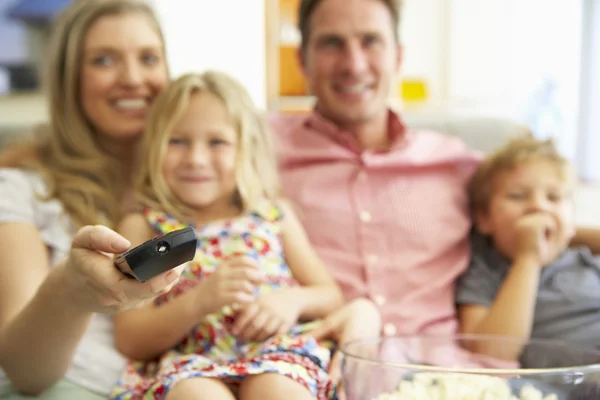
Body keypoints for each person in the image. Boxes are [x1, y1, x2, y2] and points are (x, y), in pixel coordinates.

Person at [270, 0, 600, 342]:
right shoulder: (257, 151)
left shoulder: (455, 162)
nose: (353, 64)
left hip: (447, 376)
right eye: (331, 43)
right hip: (314, 372)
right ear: (301, 60)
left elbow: (523, 215)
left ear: (397, 57)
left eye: (371, 41)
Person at [109, 72, 345, 400]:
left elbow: (330, 295)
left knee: (276, 388)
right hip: (192, 364)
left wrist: (291, 301)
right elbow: (131, 338)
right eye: (177, 141)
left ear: (246, 149)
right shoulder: (147, 226)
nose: (196, 159)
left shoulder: (272, 215)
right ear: (154, 148)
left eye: (217, 142)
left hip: (279, 354)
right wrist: (199, 302)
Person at [0, 1, 181, 399]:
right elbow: (25, 371)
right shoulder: (20, 189)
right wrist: (70, 292)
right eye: (104, 60)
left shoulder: (205, 182)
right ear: (69, 80)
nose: (133, 78)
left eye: (148, 58)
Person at [456, 137, 600, 361]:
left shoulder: (588, 264)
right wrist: (528, 260)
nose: (539, 206)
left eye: (553, 197)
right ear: (484, 218)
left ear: (572, 222)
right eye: (517, 196)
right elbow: (491, 354)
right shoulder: (484, 274)